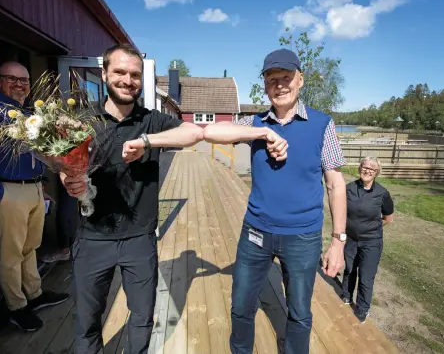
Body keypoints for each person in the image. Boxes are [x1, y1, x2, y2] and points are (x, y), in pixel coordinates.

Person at [202, 48, 348, 354]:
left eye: (286, 78)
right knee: (241, 305)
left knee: (299, 312)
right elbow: (212, 131)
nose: (279, 85)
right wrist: (262, 132)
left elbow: (335, 184)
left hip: (303, 237)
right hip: (255, 232)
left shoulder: (323, 124)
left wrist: (338, 241)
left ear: (300, 80)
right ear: (265, 85)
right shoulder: (255, 123)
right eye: (272, 80)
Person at [60, 43, 203, 354]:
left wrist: (148, 141)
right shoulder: (83, 121)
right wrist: (67, 178)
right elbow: (63, 162)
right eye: (120, 72)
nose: (128, 80)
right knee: (87, 321)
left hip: (139, 237)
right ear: (105, 74)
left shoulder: (151, 120)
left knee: (141, 319)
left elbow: (193, 132)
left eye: (135, 75)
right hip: (92, 237)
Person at [0, 62, 69, 332]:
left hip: (33, 189)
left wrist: (41, 185)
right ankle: (17, 306)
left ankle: (35, 294)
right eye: (12, 78)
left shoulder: (30, 114)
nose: (19, 84)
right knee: (11, 254)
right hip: (8, 191)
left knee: (30, 247)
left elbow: (35, 155)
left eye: (24, 80)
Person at [342, 156, 394, 323]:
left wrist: (370, 230)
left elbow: (388, 218)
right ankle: (346, 296)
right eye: (365, 167)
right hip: (350, 239)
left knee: (366, 276)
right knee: (349, 269)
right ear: (360, 168)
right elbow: (340, 211)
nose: (367, 170)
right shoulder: (349, 188)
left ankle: (362, 309)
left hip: (371, 242)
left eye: (372, 169)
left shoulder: (382, 193)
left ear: (376, 172)